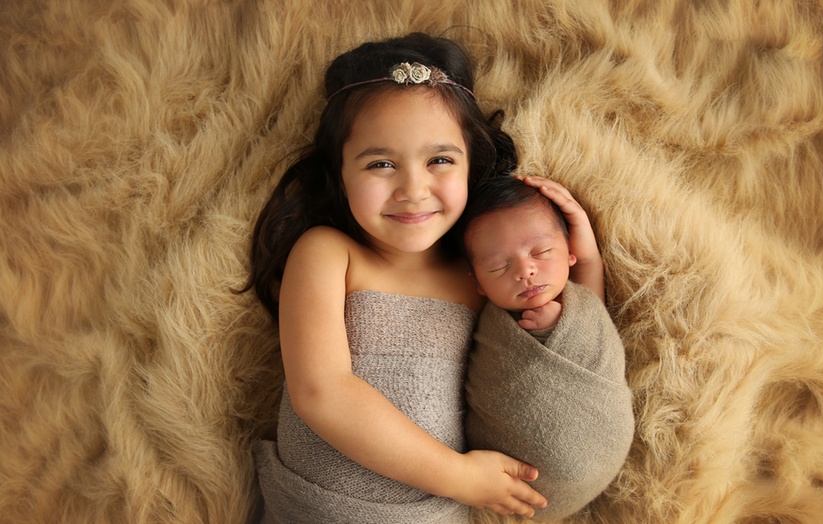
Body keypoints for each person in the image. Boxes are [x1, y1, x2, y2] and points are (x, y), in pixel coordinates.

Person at [243, 33, 582, 523]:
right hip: (320, 508)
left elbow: (565, 342)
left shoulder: (481, 277)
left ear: (472, 164)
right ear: (339, 174)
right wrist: (460, 477)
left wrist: (581, 249)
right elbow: (322, 392)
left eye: (440, 160)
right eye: (380, 164)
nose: (413, 189)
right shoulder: (327, 254)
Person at [461, 175, 635, 520]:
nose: (525, 270)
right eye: (499, 266)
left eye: (541, 252)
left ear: (569, 253)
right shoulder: (490, 330)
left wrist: (577, 219)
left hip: (601, 444)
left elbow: (589, 265)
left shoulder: (582, 306)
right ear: (478, 283)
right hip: (511, 478)